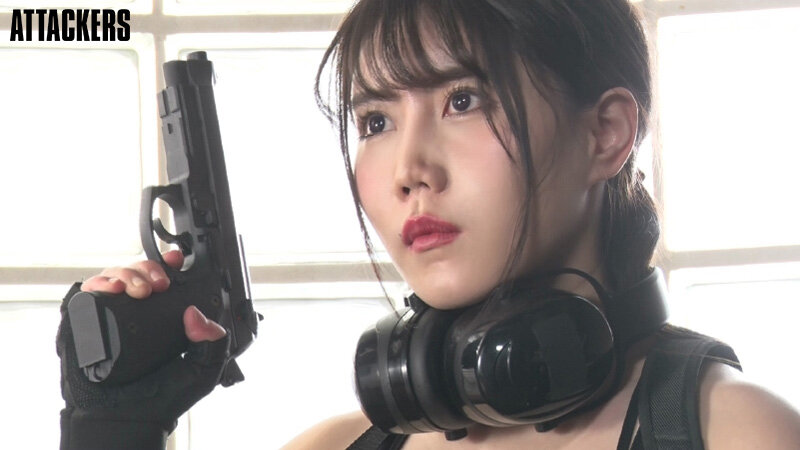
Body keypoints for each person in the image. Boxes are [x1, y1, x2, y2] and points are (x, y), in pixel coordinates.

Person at [57, 0, 800, 449]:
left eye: (463, 101)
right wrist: (112, 435)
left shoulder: (735, 433)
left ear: (605, 133)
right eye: (375, 121)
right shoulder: (332, 447)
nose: (409, 168)